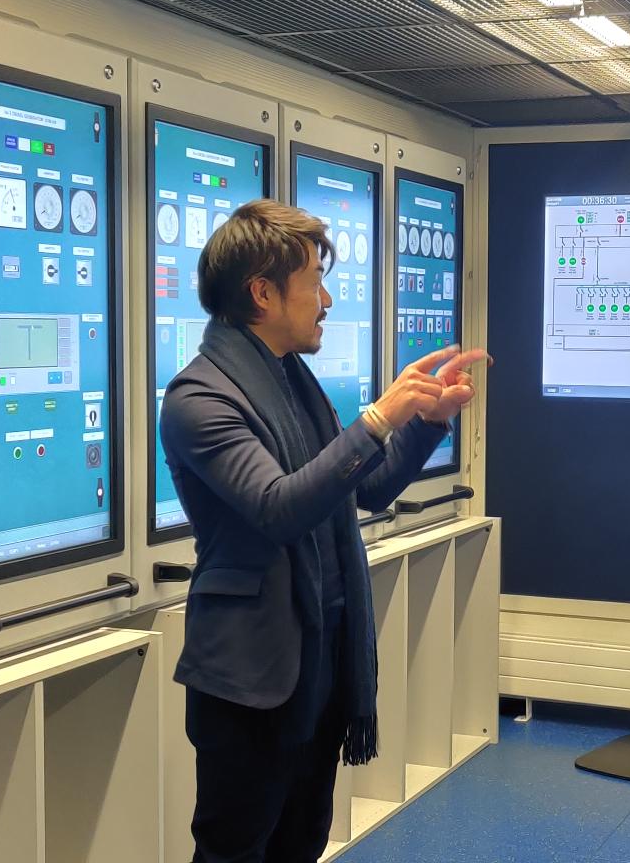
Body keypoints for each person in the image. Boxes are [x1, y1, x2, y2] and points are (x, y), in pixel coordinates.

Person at [161, 199, 486, 863]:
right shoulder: (199, 399)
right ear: (262, 292)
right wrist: (375, 419)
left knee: (300, 844)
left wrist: (425, 419)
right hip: (252, 680)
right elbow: (280, 507)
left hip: (321, 666)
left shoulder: (294, 383)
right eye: (314, 282)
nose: (327, 299)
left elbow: (364, 488)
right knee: (234, 851)